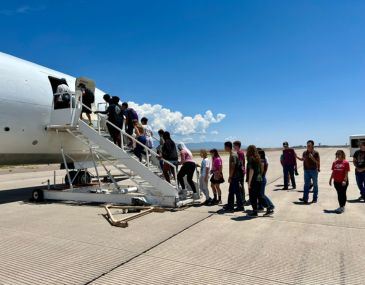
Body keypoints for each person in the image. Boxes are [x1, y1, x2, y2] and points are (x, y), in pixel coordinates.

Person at [223, 141, 244, 212]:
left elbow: (233, 166)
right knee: (231, 191)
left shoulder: (233, 154)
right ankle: (230, 206)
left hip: (235, 176)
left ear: (227, 147)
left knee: (237, 192)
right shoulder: (233, 153)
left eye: (225, 147)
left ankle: (240, 206)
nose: (224, 148)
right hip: (235, 176)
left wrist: (230, 177)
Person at [246, 145, 263, 217]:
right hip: (259, 178)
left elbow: (251, 171)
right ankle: (268, 206)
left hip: (253, 179)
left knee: (252, 196)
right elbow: (261, 168)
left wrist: (249, 182)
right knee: (258, 194)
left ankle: (255, 211)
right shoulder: (258, 157)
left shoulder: (251, 158)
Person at [257, 148, 275, 216]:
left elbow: (261, 172)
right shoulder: (263, 160)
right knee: (261, 194)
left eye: (257, 153)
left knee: (261, 195)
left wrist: (259, 179)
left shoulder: (261, 161)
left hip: (261, 179)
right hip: (262, 179)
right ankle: (270, 206)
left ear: (260, 154)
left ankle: (269, 207)